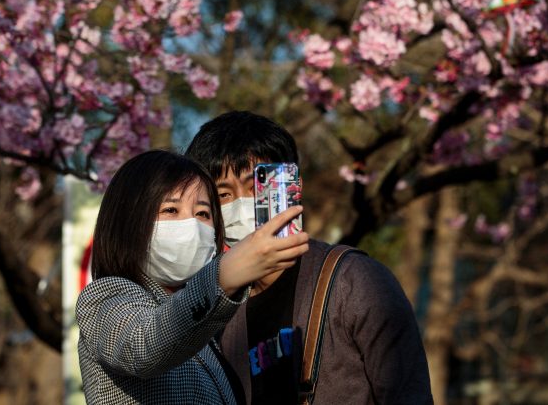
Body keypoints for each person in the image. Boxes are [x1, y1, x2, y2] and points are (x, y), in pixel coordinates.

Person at [186, 111, 434, 404]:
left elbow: (408, 394)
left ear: (294, 187)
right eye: (223, 195)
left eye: (256, 187)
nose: (241, 204)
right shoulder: (221, 308)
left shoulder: (354, 281)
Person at [76, 149, 309, 405]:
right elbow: (142, 345)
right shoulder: (104, 298)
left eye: (202, 214)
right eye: (171, 209)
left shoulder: (207, 328)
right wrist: (222, 277)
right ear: (128, 221)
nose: (190, 225)